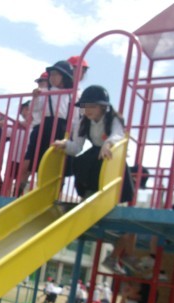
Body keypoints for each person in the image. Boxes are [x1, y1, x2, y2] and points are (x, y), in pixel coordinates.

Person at [52, 85, 136, 276]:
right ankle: (88, 195)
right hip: (96, 154)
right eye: (85, 106)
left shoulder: (113, 119)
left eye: (92, 106)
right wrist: (64, 144)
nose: (88, 110)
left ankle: (105, 198)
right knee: (81, 161)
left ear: (103, 107)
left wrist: (108, 143)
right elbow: (76, 147)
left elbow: (117, 135)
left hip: (111, 154)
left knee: (102, 160)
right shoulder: (83, 121)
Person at [17, 60, 74, 196]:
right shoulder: (44, 92)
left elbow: (78, 115)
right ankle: (17, 194)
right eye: (51, 74)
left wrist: (74, 134)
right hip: (44, 127)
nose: (52, 77)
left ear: (64, 77)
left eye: (56, 74)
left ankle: (55, 196)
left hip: (62, 129)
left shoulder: (72, 94)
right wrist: (35, 97)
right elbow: (35, 109)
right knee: (29, 163)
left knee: (59, 166)